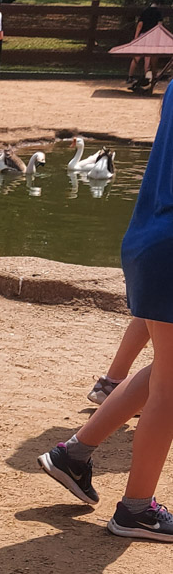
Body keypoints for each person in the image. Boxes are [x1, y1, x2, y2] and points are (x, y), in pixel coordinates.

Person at [38, 80, 173, 541]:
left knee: (166, 370)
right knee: (171, 386)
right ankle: (136, 510)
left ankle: (74, 454)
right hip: (170, 247)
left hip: (150, 238)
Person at [128, 0, 165, 91]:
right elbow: (159, 26)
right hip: (152, 37)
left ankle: (130, 76)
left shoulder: (145, 11)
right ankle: (147, 78)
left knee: (136, 56)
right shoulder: (158, 13)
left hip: (143, 36)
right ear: (160, 3)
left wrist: (136, 37)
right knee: (148, 58)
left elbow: (140, 24)